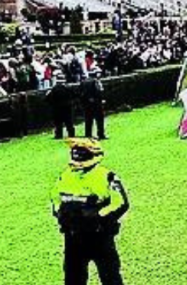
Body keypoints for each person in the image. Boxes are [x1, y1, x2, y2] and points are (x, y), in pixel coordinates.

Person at [50, 138, 130, 285]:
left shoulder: (106, 176)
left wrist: (96, 216)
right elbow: (55, 198)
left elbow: (121, 203)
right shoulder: (65, 175)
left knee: (110, 276)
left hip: (99, 237)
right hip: (73, 237)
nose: (77, 164)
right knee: (73, 277)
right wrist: (62, 214)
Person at [47, 75, 76, 139]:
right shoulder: (68, 87)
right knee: (69, 122)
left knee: (58, 123)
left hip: (57, 108)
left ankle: (59, 135)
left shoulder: (54, 89)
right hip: (67, 108)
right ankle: (71, 134)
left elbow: (49, 99)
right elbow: (74, 96)